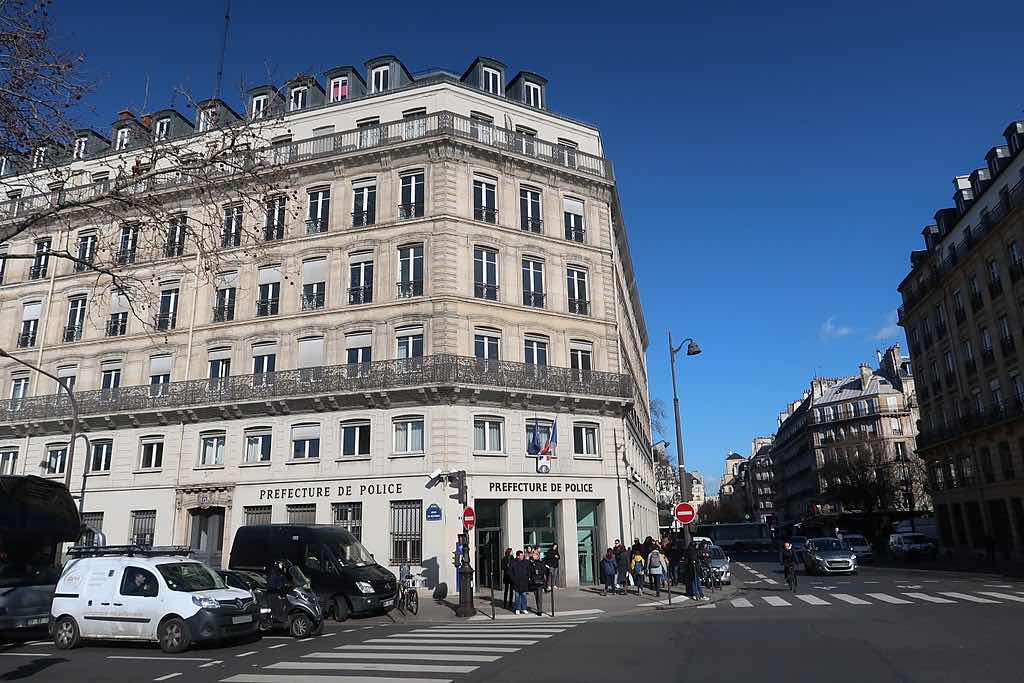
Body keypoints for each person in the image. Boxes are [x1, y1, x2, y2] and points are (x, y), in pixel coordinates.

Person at [528, 549, 548, 614]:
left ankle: (539, 610)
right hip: (533, 582)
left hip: (539, 581)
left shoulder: (541, 562)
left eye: (534, 555)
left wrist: (538, 572)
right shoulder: (531, 563)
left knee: (539, 596)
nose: (533, 556)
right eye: (533, 555)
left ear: (537, 556)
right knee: (536, 596)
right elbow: (530, 571)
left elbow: (544, 570)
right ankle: (538, 607)